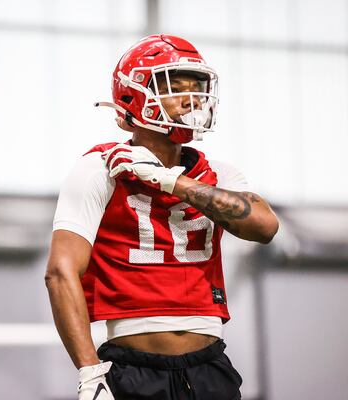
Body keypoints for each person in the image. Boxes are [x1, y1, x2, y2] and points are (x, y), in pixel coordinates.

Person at [45, 34, 279, 400]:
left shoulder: (219, 173)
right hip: (132, 367)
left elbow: (265, 228)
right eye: (175, 86)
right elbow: (60, 273)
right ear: (132, 95)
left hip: (210, 365)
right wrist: (90, 372)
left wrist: (170, 180)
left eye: (197, 87)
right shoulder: (100, 169)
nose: (192, 99)